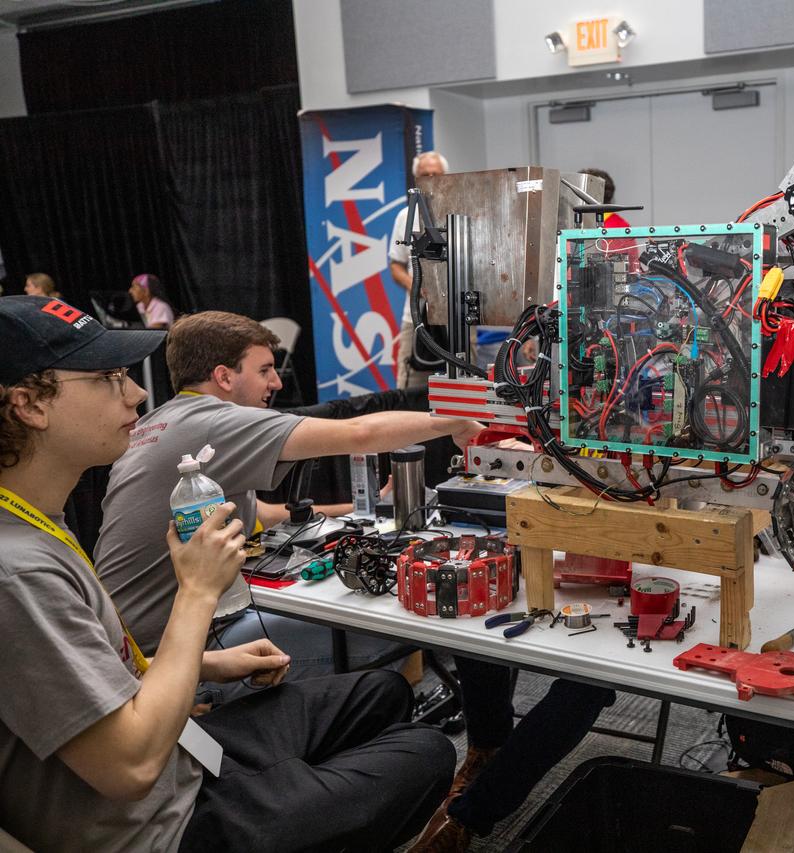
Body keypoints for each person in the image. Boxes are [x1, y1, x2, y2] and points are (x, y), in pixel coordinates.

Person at [0, 295, 454, 851]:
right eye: (108, 377)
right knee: (429, 751)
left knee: (381, 692)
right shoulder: (16, 572)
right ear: (29, 404)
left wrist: (209, 665)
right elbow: (130, 766)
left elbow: (86, 670)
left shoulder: (36, 521)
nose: (137, 392)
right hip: (160, 823)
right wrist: (197, 590)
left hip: (183, 755)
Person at [95, 310, 483, 680]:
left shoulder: (162, 421)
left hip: (131, 649)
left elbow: (261, 511)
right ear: (224, 376)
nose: (277, 382)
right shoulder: (214, 421)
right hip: (172, 655)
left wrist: (363, 507)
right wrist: (453, 421)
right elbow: (358, 433)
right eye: (264, 370)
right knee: (398, 630)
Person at [389, 150, 449, 389]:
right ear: (416, 179)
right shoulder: (406, 216)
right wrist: (416, 286)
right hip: (415, 315)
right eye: (426, 174)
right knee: (409, 386)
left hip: (456, 316)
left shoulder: (465, 211)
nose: (431, 178)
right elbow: (396, 266)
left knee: (466, 382)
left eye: (436, 174)